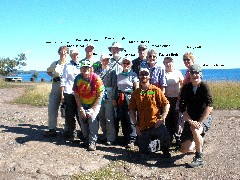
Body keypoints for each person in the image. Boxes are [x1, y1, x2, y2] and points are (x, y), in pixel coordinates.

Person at [129, 68, 171, 157]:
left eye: (146, 74)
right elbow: (132, 109)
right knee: (144, 152)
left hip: (155, 124)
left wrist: (162, 118)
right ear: (139, 76)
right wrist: (136, 125)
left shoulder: (155, 90)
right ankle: (156, 144)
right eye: (141, 74)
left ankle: (164, 149)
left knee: (165, 136)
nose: (144, 76)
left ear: (149, 76)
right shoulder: (136, 93)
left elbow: (166, 104)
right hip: (143, 126)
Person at [179, 64, 213, 168]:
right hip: (191, 118)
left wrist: (200, 123)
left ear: (201, 75)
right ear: (189, 75)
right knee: (184, 149)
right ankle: (199, 140)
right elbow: (182, 108)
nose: (195, 75)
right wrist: (190, 121)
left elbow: (209, 106)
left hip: (204, 117)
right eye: (192, 73)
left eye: (197, 73)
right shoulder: (186, 88)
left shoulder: (204, 87)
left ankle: (198, 158)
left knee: (195, 130)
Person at [73, 59, 104, 151]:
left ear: (91, 69)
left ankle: (92, 142)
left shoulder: (96, 78)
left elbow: (100, 95)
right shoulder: (78, 79)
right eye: (83, 67)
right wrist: (81, 109)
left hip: (95, 103)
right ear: (80, 69)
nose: (85, 69)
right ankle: (86, 139)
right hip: (82, 103)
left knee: (92, 119)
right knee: (82, 120)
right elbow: (76, 95)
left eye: (87, 67)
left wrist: (92, 109)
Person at [44, 46, 68, 137]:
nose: (63, 53)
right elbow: (48, 71)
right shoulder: (55, 63)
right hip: (55, 87)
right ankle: (52, 129)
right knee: (52, 108)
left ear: (67, 53)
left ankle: (66, 130)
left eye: (65, 52)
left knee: (66, 109)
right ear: (59, 53)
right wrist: (54, 76)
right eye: (61, 52)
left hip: (65, 88)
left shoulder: (69, 64)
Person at [95, 53, 118, 145]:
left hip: (109, 96)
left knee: (109, 118)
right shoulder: (97, 71)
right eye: (104, 60)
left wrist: (113, 98)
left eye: (107, 60)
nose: (105, 62)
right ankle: (105, 135)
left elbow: (114, 86)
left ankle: (111, 138)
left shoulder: (112, 71)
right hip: (99, 97)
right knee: (101, 117)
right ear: (101, 60)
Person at [116, 56, 139, 147]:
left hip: (130, 97)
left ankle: (132, 139)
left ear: (131, 65)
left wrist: (135, 100)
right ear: (122, 64)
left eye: (127, 63)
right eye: (124, 63)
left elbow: (136, 88)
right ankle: (126, 138)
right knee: (123, 118)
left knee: (131, 118)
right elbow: (117, 88)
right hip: (120, 98)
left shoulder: (133, 75)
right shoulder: (119, 75)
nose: (125, 65)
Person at [60, 47, 81, 141]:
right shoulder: (67, 66)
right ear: (71, 56)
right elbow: (63, 80)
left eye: (76, 54)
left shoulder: (82, 65)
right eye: (73, 55)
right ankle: (73, 134)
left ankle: (85, 134)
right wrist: (62, 94)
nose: (75, 56)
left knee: (80, 113)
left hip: (80, 93)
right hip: (69, 92)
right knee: (70, 114)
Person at [163, 57, 184, 146]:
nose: (168, 64)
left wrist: (181, 96)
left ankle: (178, 138)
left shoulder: (177, 72)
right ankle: (169, 138)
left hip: (176, 98)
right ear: (164, 63)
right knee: (168, 119)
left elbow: (183, 84)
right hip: (167, 98)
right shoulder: (163, 72)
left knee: (177, 119)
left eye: (170, 62)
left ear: (173, 63)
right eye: (166, 62)